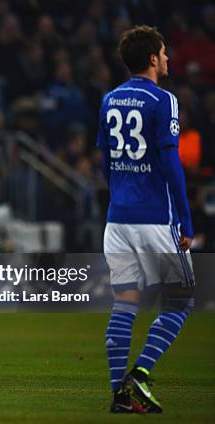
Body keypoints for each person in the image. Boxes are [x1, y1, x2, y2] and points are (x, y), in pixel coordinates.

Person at [97, 25, 194, 413]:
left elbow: (104, 160)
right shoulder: (163, 100)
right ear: (153, 58)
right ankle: (140, 374)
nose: (168, 59)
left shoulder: (109, 100)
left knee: (125, 302)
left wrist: (120, 192)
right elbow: (171, 161)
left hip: (117, 220)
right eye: (165, 53)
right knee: (181, 300)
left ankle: (119, 396)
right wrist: (186, 220)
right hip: (155, 217)